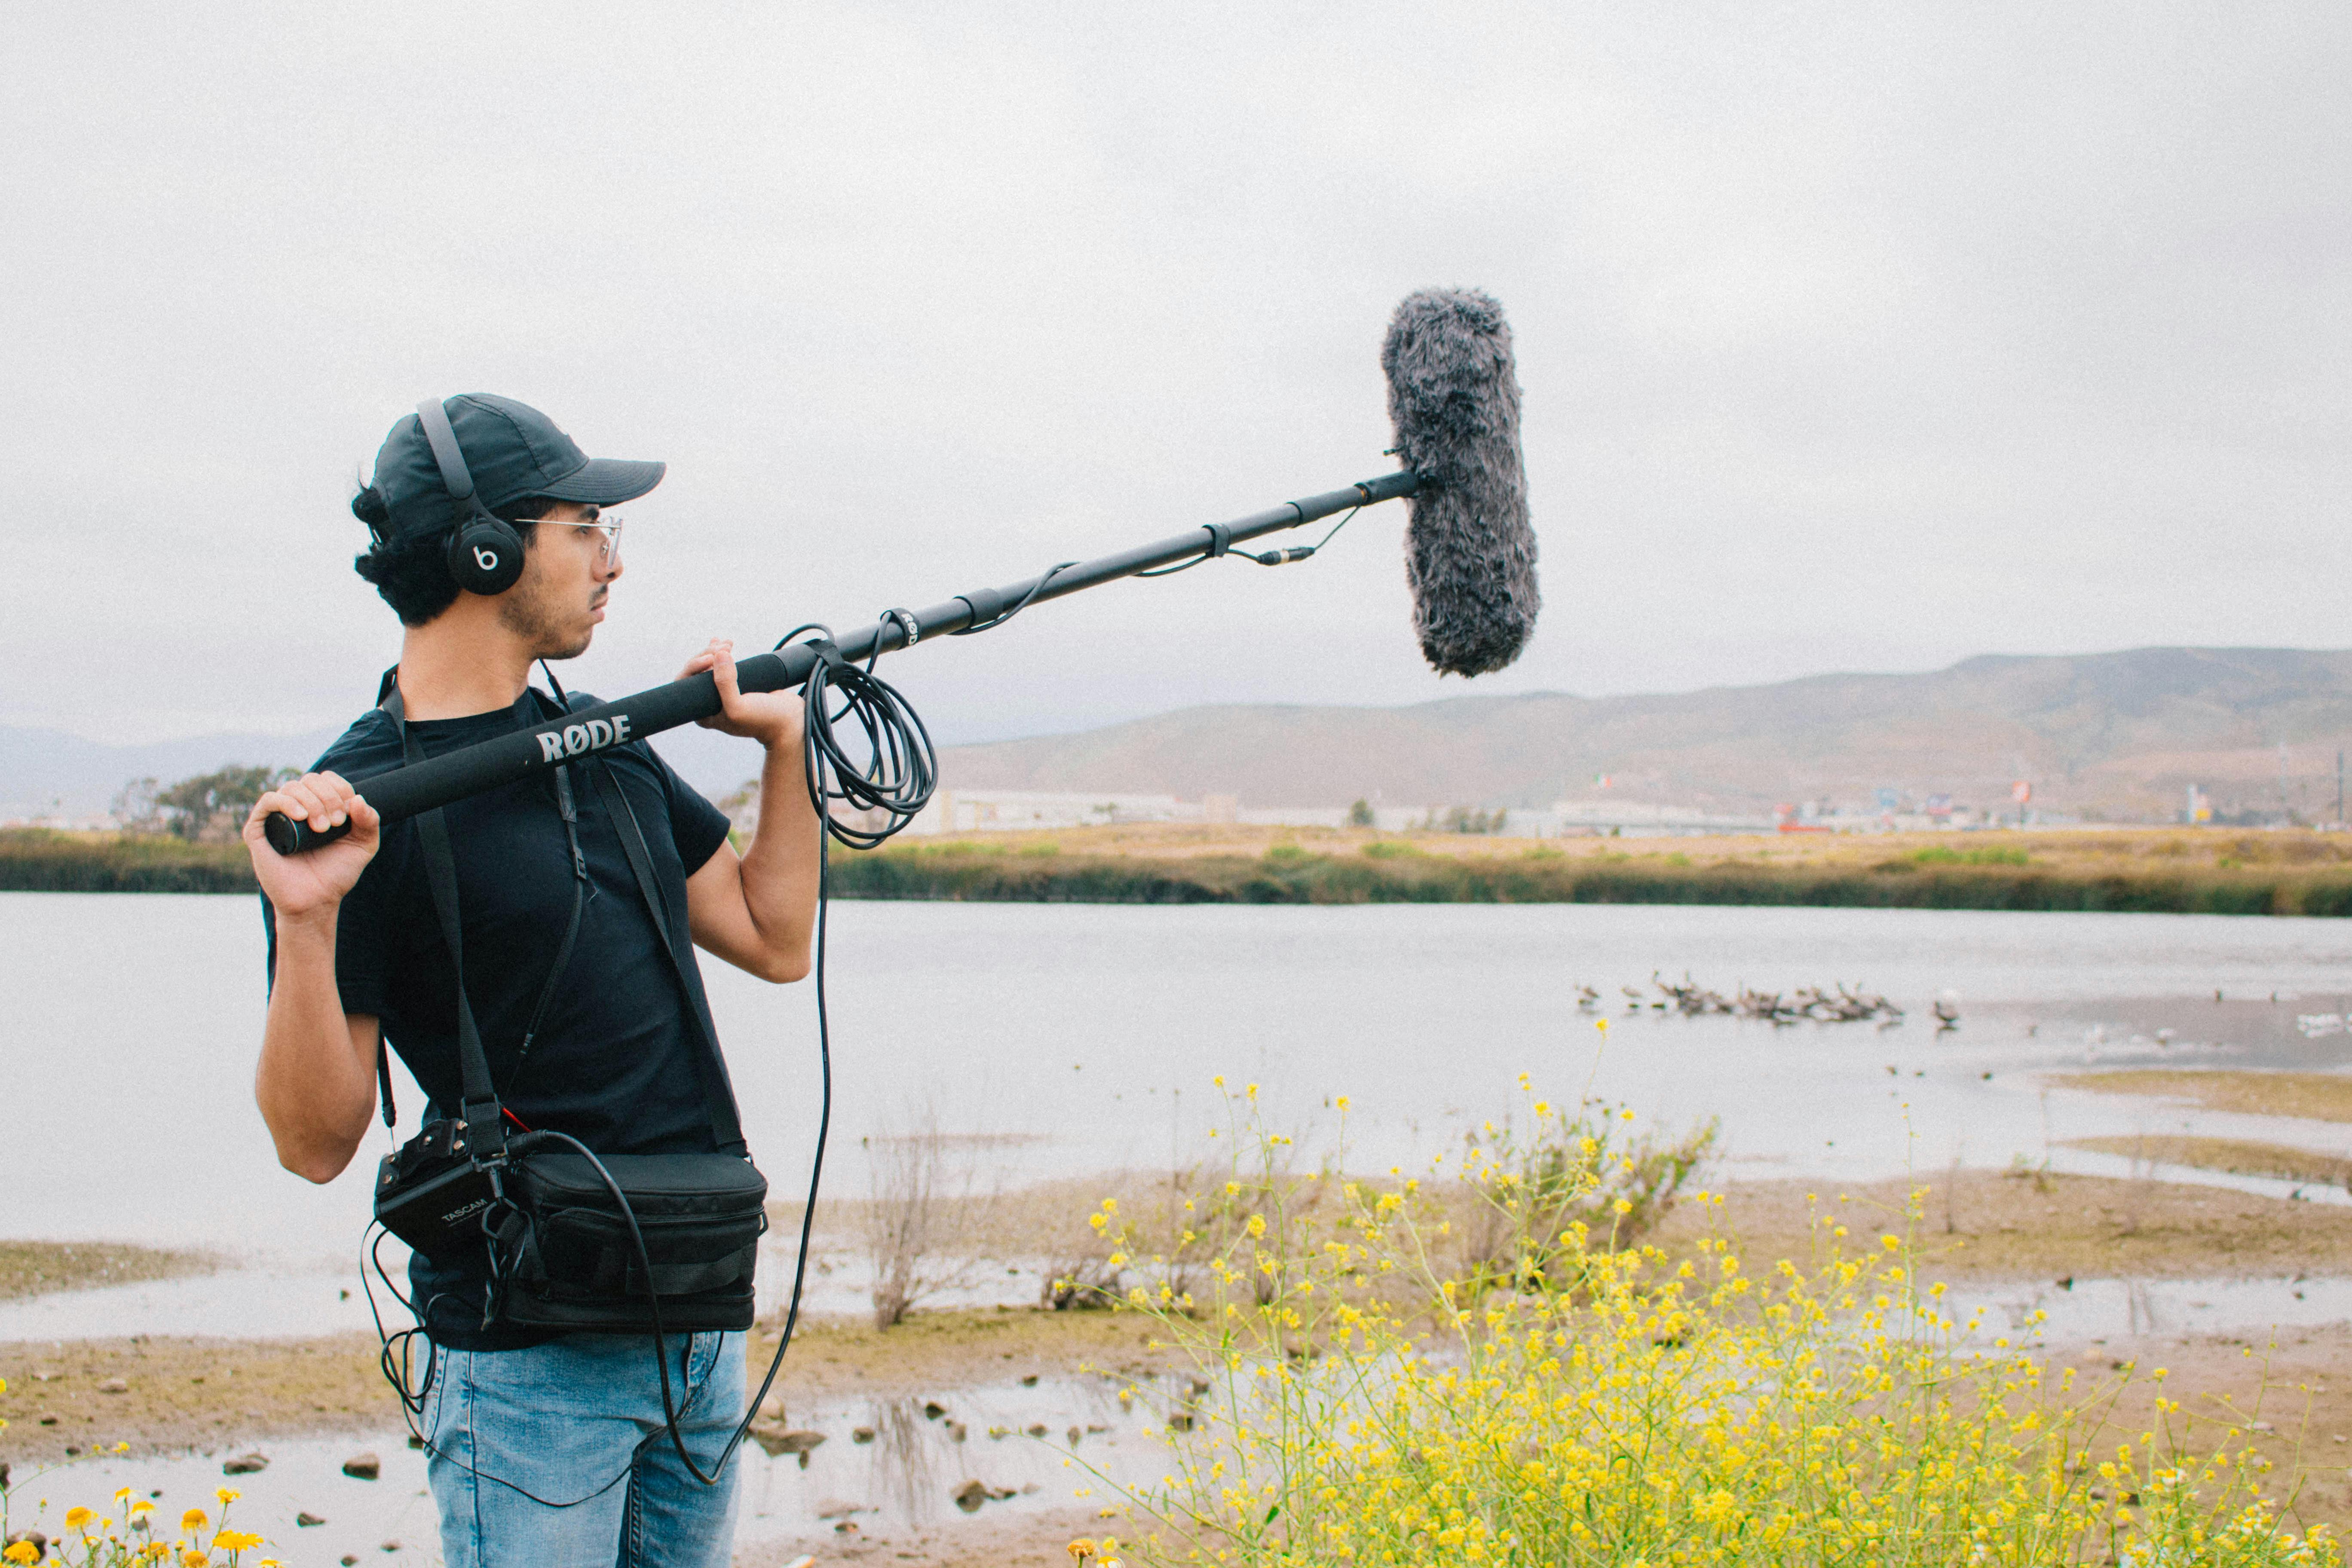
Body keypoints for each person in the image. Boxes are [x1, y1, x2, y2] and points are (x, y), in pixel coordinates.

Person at [242, 394, 820, 1567]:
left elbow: (773, 937)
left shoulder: (607, 745)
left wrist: (784, 750)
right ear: (486, 549)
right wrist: (306, 929)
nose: (612, 561)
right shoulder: (359, 806)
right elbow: (314, 1144)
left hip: (699, 1313)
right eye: (588, 525)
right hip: (532, 1364)